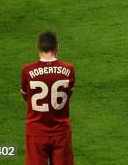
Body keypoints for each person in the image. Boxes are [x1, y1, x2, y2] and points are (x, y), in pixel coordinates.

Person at [21, 31, 75, 165]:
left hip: (36, 131)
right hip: (61, 131)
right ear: (57, 47)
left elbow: (26, 96)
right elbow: (69, 95)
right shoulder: (69, 69)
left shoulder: (27, 71)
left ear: (37, 47)